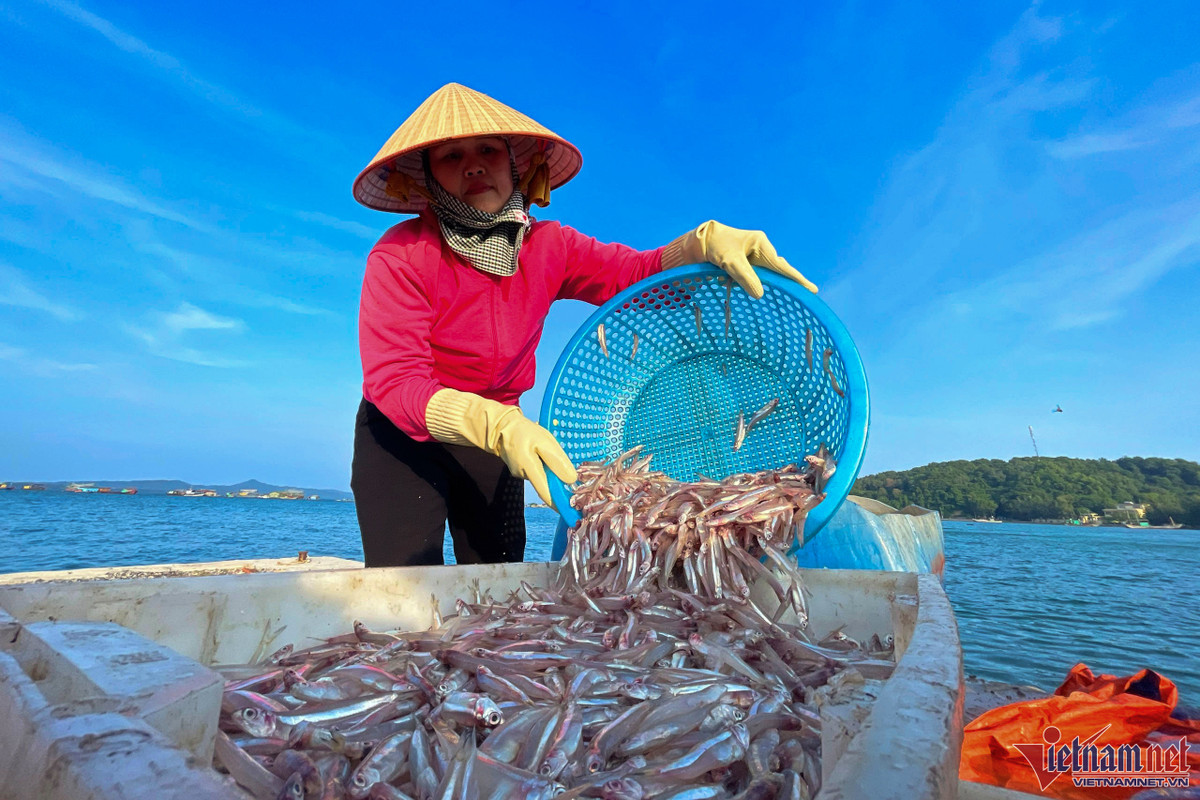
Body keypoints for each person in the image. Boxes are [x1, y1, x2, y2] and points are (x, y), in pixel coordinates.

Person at [350, 83, 817, 568]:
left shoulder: (551, 246)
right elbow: (395, 381)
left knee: (496, 574)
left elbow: (633, 275)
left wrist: (700, 245)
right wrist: (496, 425)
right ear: (427, 179)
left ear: (516, 165)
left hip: (499, 443)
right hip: (406, 438)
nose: (473, 164)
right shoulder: (400, 255)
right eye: (451, 156)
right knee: (398, 587)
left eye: (488, 149)